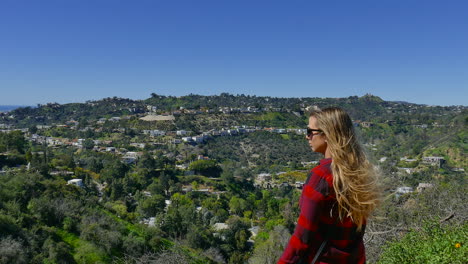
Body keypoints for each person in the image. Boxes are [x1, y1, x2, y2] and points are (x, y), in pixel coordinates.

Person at [278, 107, 380, 264]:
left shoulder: (320, 176)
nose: (307, 136)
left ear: (327, 134)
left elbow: (302, 238)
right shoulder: (359, 173)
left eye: (310, 131)